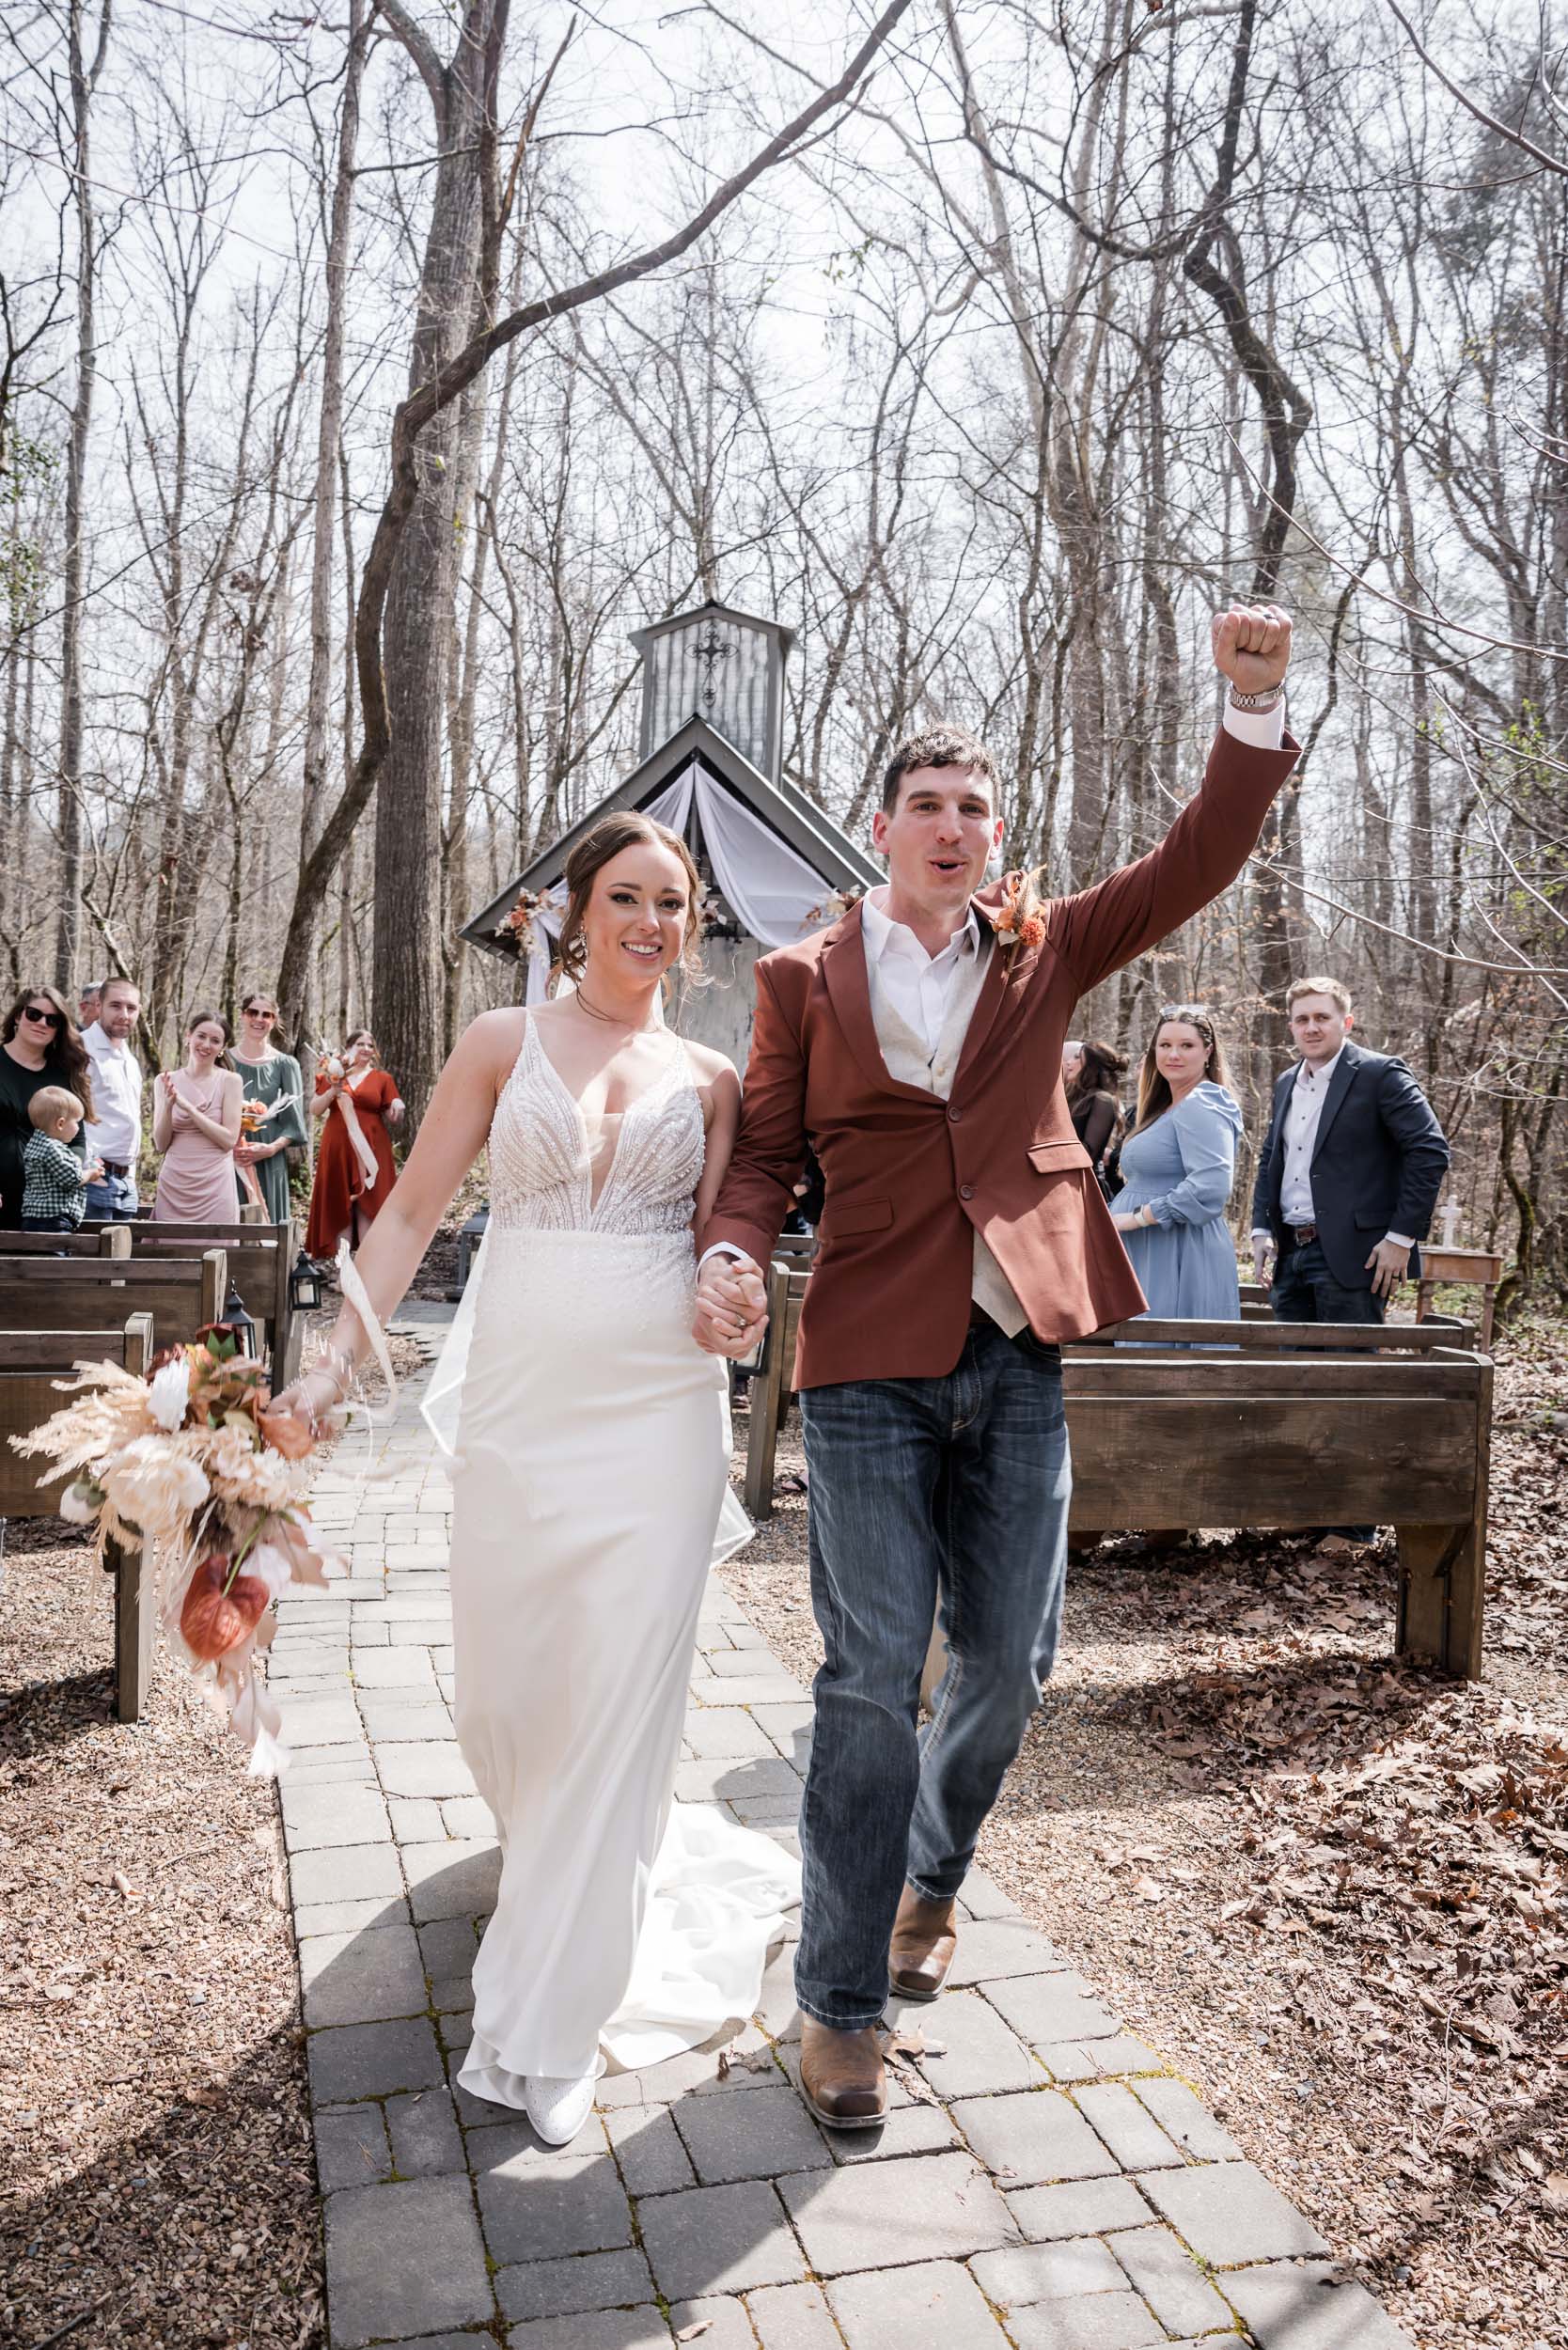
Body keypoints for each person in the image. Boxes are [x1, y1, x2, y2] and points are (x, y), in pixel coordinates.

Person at [694, 603, 1298, 2129]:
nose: (951, 827)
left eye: (974, 807)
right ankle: (837, 2006)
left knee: (1011, 1667)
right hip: (864, 1366)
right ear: (882, 827)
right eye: (927, 806)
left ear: (992, 832)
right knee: (861, 1676)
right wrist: (724, 1247)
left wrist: (1250, 701)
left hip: (1019, 1348)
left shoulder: (1048, 946)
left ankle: (930, 1881)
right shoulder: (795, 979)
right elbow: (763, 1151)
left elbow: (1197, 859)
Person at [264, 810, 797, 2150]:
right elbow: (402, 1216)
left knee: (621, 1693)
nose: (653, 923)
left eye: (675, 903)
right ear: (570, 910)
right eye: (628, 896)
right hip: (521, 1414)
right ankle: (558, 1856)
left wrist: (740, 1298)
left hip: (659, 1424)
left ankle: (554, 2019)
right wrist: (331, 1377)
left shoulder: (715, 1075)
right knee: (515, 1693)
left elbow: (725, 1247)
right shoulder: (503, 1046)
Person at [1250, 975, 1450, 1323]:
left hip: (1357, 1257)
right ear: (1291, 1027)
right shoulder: (1285, 1083)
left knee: (1350, 1374)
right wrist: (1260, 1229)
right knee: (1289, 1375)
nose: (1311, 1028)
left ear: (1347, 1022)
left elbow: (1429, 1151)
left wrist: (1401, 1238)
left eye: (1322, 1018)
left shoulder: (1380, 1074)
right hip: (1289, 1255)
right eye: (1302, 1020)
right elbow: (1271, 1157)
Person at [1109, 1006, 1244, 1321]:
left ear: (1208, 1052)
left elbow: (1210, 1188)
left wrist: (1137, 1219)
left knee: (1165, 1357)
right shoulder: (1164, 1109)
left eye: (1187, 1045)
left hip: (1177, 1250)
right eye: (1165, 1045)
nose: (1174, 1054)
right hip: (1147, 1250)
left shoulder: (1203, 1103)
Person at [0, 985, 95, 1230]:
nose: (42, 1023)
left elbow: (77, 1139)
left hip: (43, 1210)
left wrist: (69, 1170)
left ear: (58, 1030)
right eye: (34, 1014)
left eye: (52, 1020)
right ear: (19, 1016)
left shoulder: (62, 1076)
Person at [305, 1030, 403, 1260]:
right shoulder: (333, 1075)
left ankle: (364, 1271)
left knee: (369, 1205)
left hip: (372, 1148)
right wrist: (332, 1091)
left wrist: (397, 1107)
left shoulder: (382, 1079)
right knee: (340, 1205)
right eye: (360, 1044)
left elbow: (393, 1115)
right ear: (349, 1047)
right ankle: (344, 1273)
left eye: (370, 1044)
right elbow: (315, 1109)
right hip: (338, 1148)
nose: (366, 1049)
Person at [150, 1010, 244, 1223]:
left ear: (222, 1049)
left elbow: (229, 1140)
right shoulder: (164, 1080)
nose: (206, 1045)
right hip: (175, 1181)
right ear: (188, 1036)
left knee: (215, 1249)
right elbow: (161, 1144)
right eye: (201, 1036)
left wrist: (189, 1109)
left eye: (215, 1041)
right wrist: (167, 1107)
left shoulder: (231, 1081)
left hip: (215, 1184)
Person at [232, 990, 307, 1225]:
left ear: (274, 1021)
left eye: (267, 1014)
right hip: (229, 1156)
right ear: (243, 1016)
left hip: (269, 1157)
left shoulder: (287, 1065)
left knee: (268, 1225)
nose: (259, 1019)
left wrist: (270, 1149)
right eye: (253, 1012)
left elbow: (294, 1124)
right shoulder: (223, 1059)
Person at [81, 975, 145, 1220]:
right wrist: (90, 1170)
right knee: (87, 1258)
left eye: (131, 1008)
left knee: (121, 1258)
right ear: (99, 1007)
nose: (124, 1014)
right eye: (115, 1006)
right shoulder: (82, 1049)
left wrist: (130, 1176)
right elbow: (70, 1115)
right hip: (95, 1181)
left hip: (126, 1183)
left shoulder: (130, 1059)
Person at [22, 1088, 102, 1231]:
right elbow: (72, 1179)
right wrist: (90, 1174)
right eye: (76, 1122)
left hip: (33, 1218)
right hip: (55, 1219)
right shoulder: (54, 1149)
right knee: (56, 1253)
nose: (78, 1128)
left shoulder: (35, 1144)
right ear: (60, 1124)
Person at [1063, 1038, 1127, 1195]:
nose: (1069, 1062)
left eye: (1077, 1057)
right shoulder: (1077, 1098)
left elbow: (1088, 1153)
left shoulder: (1103, 1100)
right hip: (1069, 1183)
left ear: (1090, 1065)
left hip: (1086, 1189)